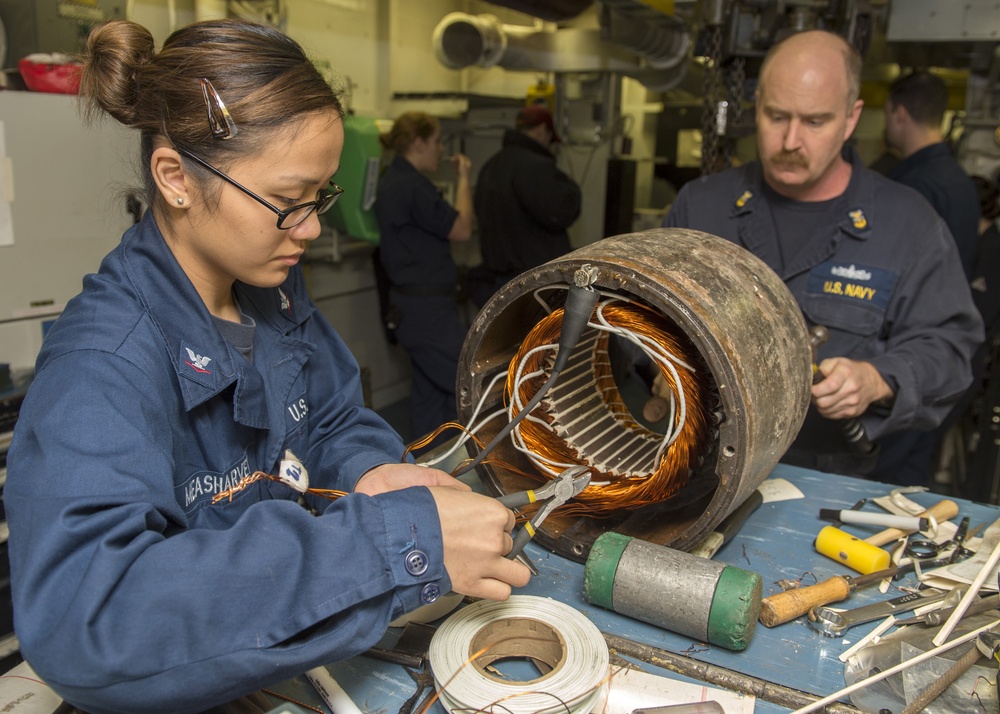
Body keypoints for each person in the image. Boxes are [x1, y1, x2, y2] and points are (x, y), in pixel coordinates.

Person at [4, 19, 529, 714]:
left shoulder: (268, 290)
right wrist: (394, 545)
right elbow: (88, 623)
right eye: (286, 202)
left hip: (275, 655)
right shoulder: (102, 362)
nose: (310, 228)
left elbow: (331, 414)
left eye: (319, 197)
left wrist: (367, 470)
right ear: (175, 179)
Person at [661, 30, 983, 483]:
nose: (791, 140)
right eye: (776, 116)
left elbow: (949, 348)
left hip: (836, 481)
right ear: (756, 107)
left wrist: (878, 378)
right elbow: (633, 317)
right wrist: (659, 366)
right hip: (704, 472)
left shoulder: (907, 224)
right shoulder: (702, 207)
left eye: (815, 122)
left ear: (851, 119)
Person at [374, 112, 473, 444]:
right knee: (470, 376)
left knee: (430, 396)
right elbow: (462, 228)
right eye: (437, 141)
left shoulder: (391, 180)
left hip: (412, 307)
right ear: (418, 143)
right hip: (427, 312)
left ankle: (429, 464)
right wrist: (463, 178)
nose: (441, 149)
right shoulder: (413, 186)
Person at [468, 104, 582, 308]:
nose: (548, 144)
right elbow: (561, 211)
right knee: (540, 339)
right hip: (533, 287)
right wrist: (570, 189)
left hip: (498, 284)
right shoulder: (536, 168)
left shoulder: (490, 166)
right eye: (549, 136)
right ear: (540, 130)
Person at [883, 71, 980, 278]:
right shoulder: (960, 178)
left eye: (887, 113)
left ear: (899, 114)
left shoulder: (914, 184)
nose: (886, 125)